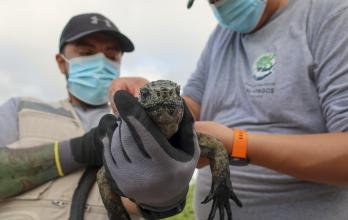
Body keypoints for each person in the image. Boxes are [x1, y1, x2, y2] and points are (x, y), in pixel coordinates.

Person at [109, 0, 348, 219]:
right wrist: (148, 105)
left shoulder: (331, 14)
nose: (221, 5)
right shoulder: (221, 37)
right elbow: (190, 107)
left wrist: (236, 143)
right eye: (212, 1)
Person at [0, 13, 140, 219]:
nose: (101, 63)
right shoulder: (21, 109)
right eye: (86, 52)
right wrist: (80, 149)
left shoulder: (133, 122)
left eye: (111, 56)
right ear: (61, 62)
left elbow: (148, 198)